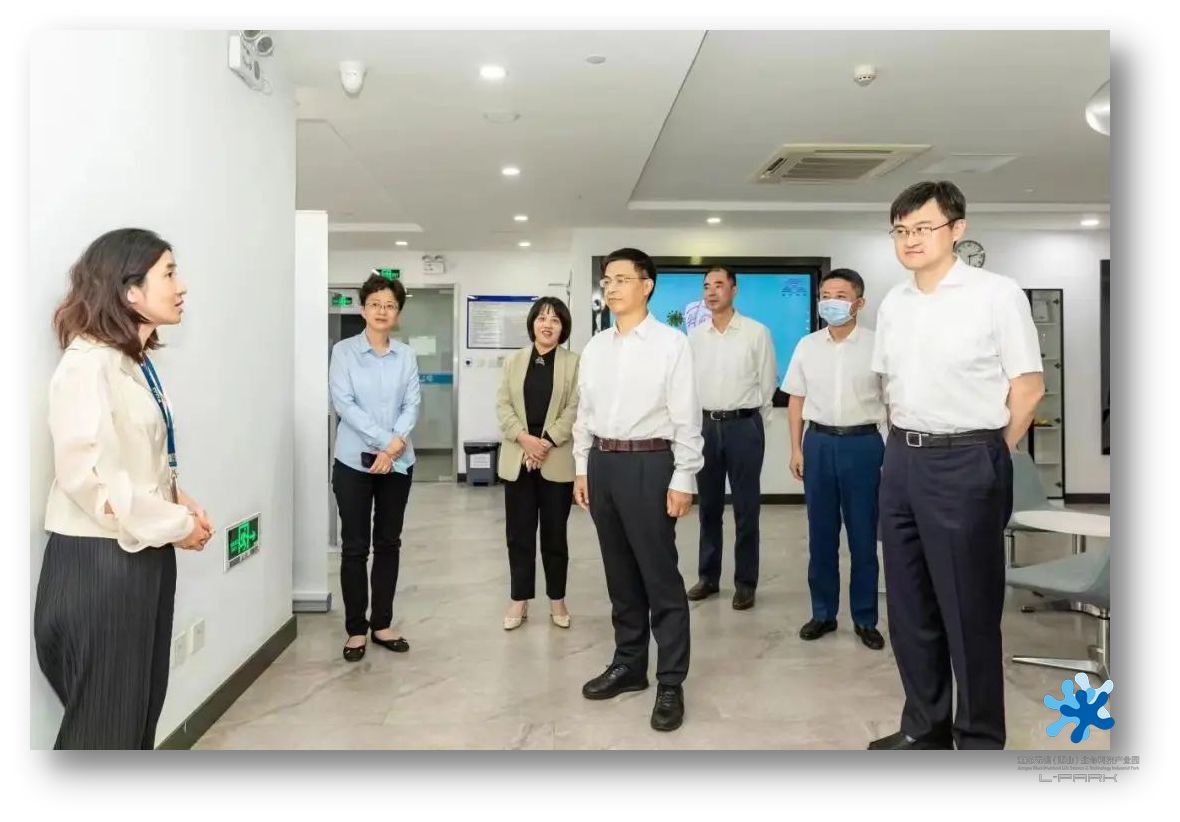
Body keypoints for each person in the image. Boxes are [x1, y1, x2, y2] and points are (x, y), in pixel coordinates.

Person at [869, 181, 1045, 750]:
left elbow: (1028, 388)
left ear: (957, 229)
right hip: (902, 459)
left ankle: (979, 742)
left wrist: (988, 451)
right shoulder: (894, 302)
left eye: (923, 227)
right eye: (901, 230)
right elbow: (889, 385)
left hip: (967, 459)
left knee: (968, 613)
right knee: (908, 605)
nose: (910, 240)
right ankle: (924, 729)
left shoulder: (996, 294)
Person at [35, 228, 213, 749]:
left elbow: (135, 461)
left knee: (135, 723)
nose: (182, 286)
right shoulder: (87, 363)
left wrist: (178, 500)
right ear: (130, 290)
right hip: (101, 565)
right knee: (105, 735)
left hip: (141, 554)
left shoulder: (130, 362)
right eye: (169, 273)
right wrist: (177, 524)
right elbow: (90, 480)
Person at [572, 247, 705, 732]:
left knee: (659, 576)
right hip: (603, 464)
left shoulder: (672, 344)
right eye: (606, 280)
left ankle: (671, 680)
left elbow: (687, 415)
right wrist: (582, 468)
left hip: (651, 463)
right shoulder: (596, 347)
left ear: (646, 285)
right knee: (620, 575)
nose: (610, 287)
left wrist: (684, 476)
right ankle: (629, 664)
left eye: (621, 279)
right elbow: (585, 412)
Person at [783, 269, 887, 650]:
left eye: (840, 295)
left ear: (859, 302)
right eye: (825, 295)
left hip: (864, 445)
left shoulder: (878, 345)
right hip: (819, 443)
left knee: (863, 537)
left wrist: (891, 453)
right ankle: (823, 613)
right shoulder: (807, 345)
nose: (831, 301)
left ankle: (865, 618)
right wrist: (796, 448)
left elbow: (893, 401)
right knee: (821, 536)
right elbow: (796, 400)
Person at [329, 274, 421, 662]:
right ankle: (356, 629)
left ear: (398, 313)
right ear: (363, 308)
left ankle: (382, 624)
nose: (382, 311)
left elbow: (412, 403)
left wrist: (395, 445)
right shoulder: (344, 352)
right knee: (354, 547)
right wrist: (387, 441)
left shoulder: (406, 355)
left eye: (390, 305)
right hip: (353, 462)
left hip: (398, 464)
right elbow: (344, 405)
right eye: (375, 304)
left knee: (388, 543)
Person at [686, 266, 776, 610]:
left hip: (744, 426)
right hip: (706, 427)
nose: (711, 292)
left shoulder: (756, 332)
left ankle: (745, 582)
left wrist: (755, 424)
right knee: (708, 508)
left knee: (746, 508)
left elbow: (767, 384)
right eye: (706, 286)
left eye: (719, 285)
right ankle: (708, 578)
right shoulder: (695, 337)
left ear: (734, 289)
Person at [495, 296, 580, 630]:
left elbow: (575, 407)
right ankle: (519, 599)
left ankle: (557, 598)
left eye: (555, 320)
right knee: (519, 535)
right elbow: (503, 406)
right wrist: (525, 440)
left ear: (563, 328)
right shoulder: (513, 361)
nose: (548, 325)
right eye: (542, 318)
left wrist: (545, 442)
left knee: (555, 536)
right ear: (532, 323)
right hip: (518, 458)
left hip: (555, 459)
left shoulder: (574, 363)